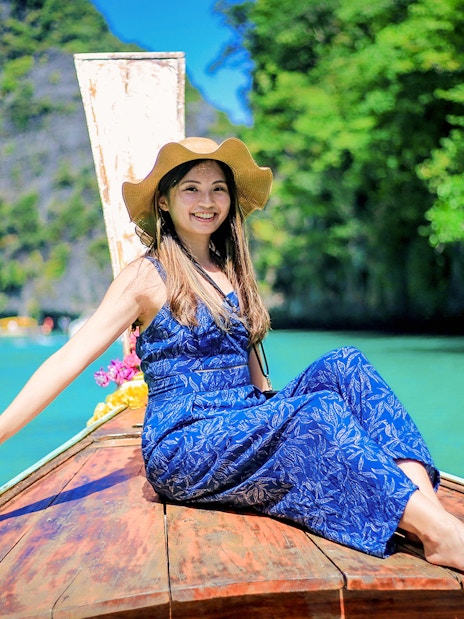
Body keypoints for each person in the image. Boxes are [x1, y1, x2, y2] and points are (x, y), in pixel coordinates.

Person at [1, 136, 463, 570]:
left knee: (346, 364)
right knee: (316, 412)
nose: (207, 202)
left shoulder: (231, 269)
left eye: (218, 189)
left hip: (239, 421)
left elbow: (253, 373)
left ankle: (433, 522)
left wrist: (279, 407)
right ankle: (438, 530)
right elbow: (68, 359)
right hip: (185, 443)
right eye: (192, 189)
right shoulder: (146, 276)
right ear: (164, 199)